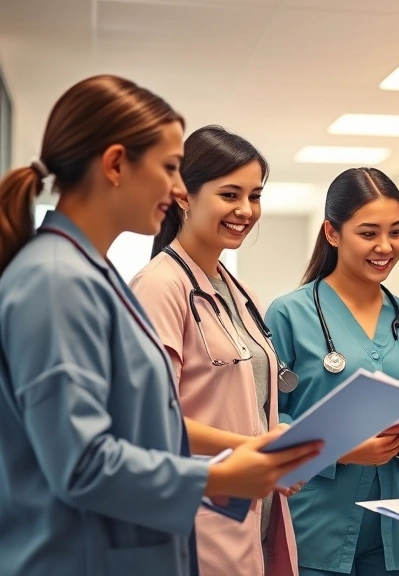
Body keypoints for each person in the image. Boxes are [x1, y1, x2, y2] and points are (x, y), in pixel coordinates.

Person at [0, 75, 321, 576]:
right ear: (114, 165)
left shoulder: (90, 275)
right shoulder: (56, 281)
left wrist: (253, 449)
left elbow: (142, 424)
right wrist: (217, 476)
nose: (177, 189)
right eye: (171, 168)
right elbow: (82, 463)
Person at [130, 125, 300, 575]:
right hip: (198, 519)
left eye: (255, 196)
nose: (246, 210)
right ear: (183, 196)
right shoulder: (158, 287)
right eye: (230, 195)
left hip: (256, 515)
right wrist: (253, 450)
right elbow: (149, 420)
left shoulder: (240, 291)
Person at [265, 167, 399, 576]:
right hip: (318, 529)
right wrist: (340, 450)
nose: (386, 246)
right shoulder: (290, 314)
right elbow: (271, 419)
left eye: (396, 231)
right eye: (368, 233)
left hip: (394, 531)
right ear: (332, 232)